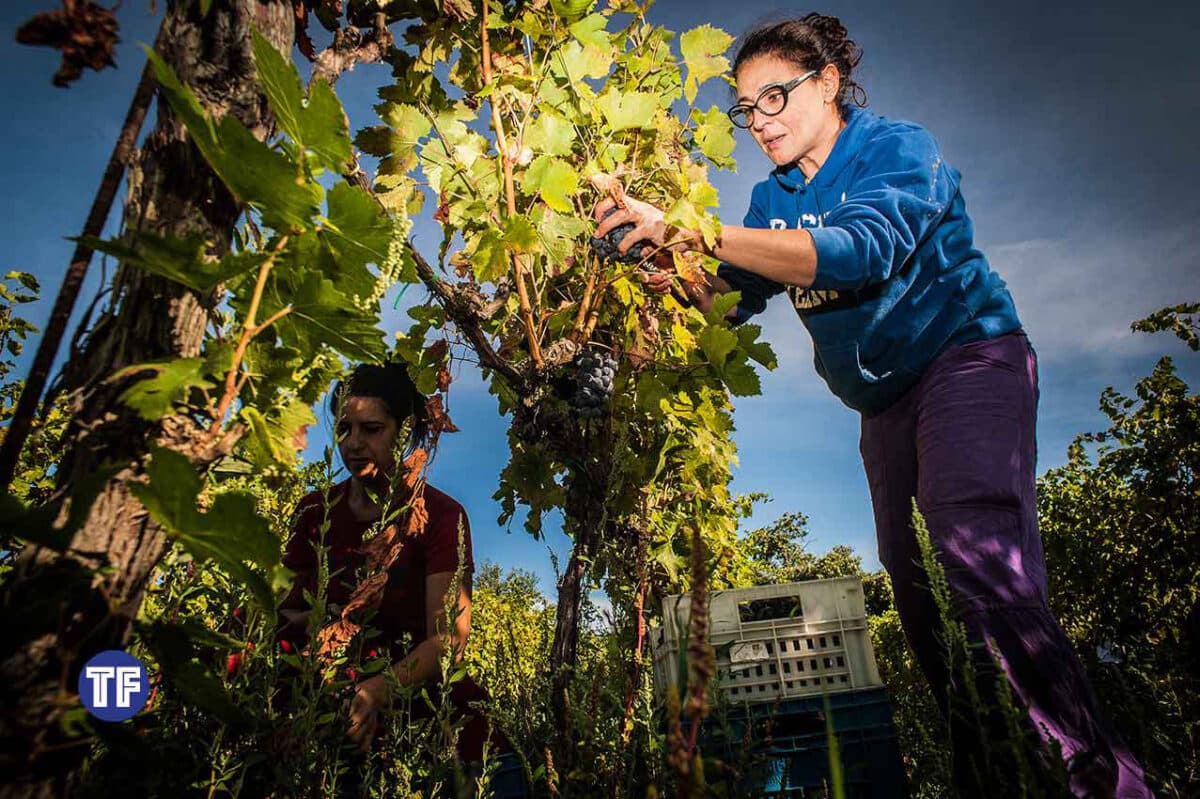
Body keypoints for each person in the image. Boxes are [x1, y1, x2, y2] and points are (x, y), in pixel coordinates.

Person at [594, 13, 1151, 799]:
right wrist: (658, 257)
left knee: (971, 544)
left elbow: (862, 250)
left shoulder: (897, 149)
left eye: (775, 97)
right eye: (746, 109)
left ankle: (1103, 781)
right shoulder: (772, 198)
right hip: (885, 403)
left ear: (827, 82)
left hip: (967, 358)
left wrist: (697, 230)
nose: (760, 121)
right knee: (916, 584)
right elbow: (725, 298)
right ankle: (999, 770)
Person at [277, 363, 523, 794]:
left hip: (457, 751)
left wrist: (375, 691)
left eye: (371, 429)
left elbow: (447, 641)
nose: (354, 443)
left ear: (403, 432)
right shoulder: (314, 511)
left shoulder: (440, 517)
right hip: (349, 740)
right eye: (344, 429)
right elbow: (285, 613)